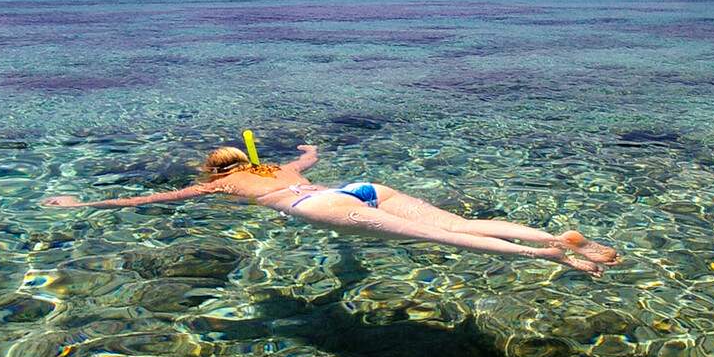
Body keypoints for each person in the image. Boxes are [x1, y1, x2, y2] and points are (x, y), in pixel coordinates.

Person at [43, 143, 621, 276]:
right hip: (361, 187)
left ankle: (552, 256)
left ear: (214, 171)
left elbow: (148, 199)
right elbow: (311, 152)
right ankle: (550, 234)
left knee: (444, 242)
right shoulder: (278, 167)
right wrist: (304, 151)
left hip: (317, 205)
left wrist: (85, 200)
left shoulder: (224, 186)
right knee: (460, 222)